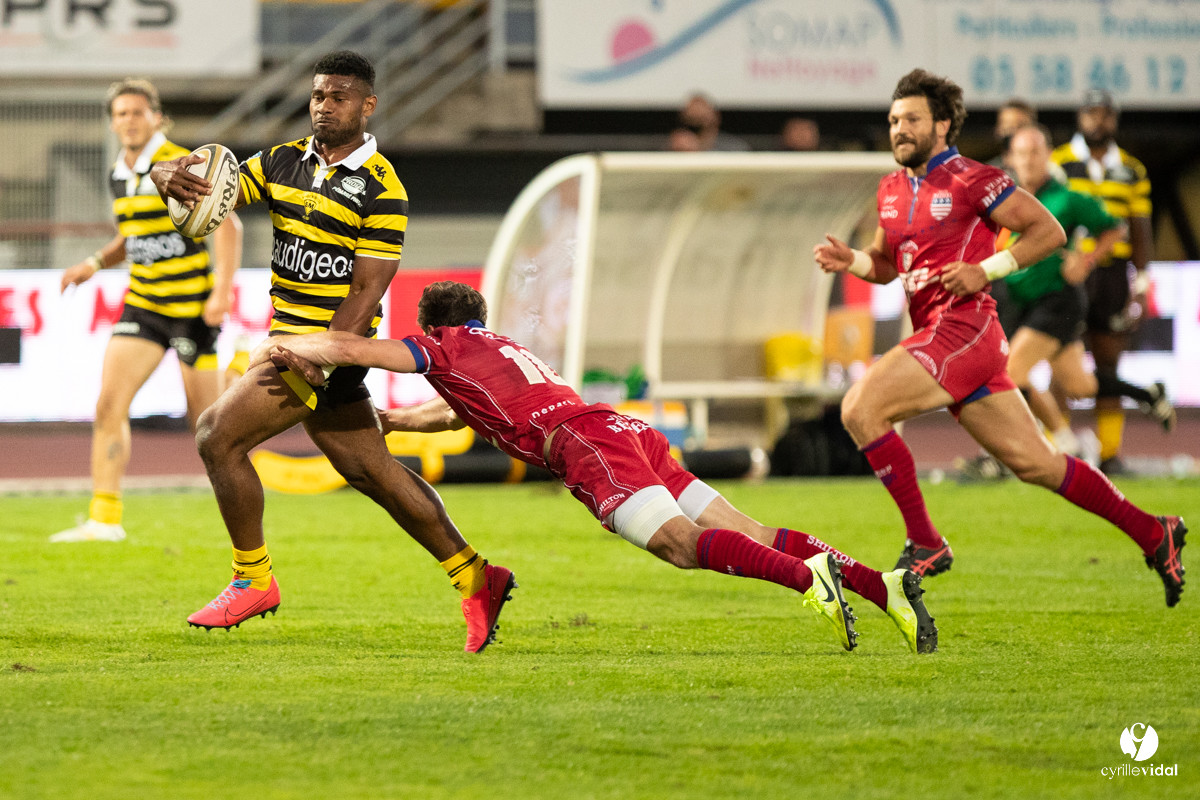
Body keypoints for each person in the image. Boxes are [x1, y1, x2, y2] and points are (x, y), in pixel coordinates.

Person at [262, 281, 942, 655]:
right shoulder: (499, 348)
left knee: (679, 547)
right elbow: (465, 415)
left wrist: (294, 345)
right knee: (748, 529)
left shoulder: (436, 347)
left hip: (586, 448)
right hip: (624, 429)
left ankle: (806, 578)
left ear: (432, 326)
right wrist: (397, 424)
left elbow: (359, 347)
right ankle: (882, 588)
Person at [148, 51, 512, 652]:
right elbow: (220, 187)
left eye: (339, 96)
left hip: (323, 353)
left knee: (217, 433)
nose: (324, 105)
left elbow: (369, 288)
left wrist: (320, 355)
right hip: (294, 345)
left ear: (367, 105)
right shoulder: (284, 160)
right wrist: (166, 175)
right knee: (375, 473)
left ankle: (253, 579)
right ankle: (477, 576)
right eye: (318, 94)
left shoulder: (382, 187)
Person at [813, 69, 1186, 607]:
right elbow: (886, 264)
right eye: (894, 120)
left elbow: (1049, 232)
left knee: (859, 410)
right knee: (1039, 464)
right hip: (950, 343)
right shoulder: (891, 189)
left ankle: (926, 542)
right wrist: (851, 260)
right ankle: (1156, 532)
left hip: (964, 330)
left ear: (942, 124)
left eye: (911, 119)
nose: (899, 129)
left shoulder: (972, 177)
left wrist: (987, 270)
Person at [50, 78, 243, 544]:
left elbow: (227, 224)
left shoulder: (181, 161)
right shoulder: (118, 172)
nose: (129, 121)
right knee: (108, 403)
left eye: (137, 112)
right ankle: (104, 519)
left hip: (191, 308)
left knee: (208, 429)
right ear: (112, 122)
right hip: (144, 303)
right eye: (120, 114)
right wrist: (93, 263)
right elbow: (131, 235)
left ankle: (239, 377)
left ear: (156, 117)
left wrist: (221, 292)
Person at [998, 124, 1170, 460]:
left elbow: (1116, 227)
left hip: (1058, 301)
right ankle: (1148, 394)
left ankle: (1045, 448)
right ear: (1011, 159)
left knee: (1009, 374)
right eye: (1022, 153)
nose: (1029, 160)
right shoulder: (1005, 201)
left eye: (1035, 152)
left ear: (1049, 155)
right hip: (1020, 303)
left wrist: (1087, 260)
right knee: (1080, 385)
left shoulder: (1068, 197)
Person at [1051, 89, 1165, 475]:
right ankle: (1058, 451)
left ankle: (1110, 453)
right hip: (1070, 272)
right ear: (1079, 117)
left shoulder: (1132, 169)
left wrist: (1143, 280)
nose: (1098, 121)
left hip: (1114, 276)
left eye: (1105, 114)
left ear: (1115, 120)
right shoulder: (1059, 162)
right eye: (1091, 113)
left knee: (1109, 364)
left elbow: (1139, 227)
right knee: (1062, 364)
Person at [672, 93, 751, 152]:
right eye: (691, 119)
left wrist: (699, 153)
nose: (696, 117)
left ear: (716, 118)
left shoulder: (735, 149)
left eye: (702, 118)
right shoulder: (674, 149)